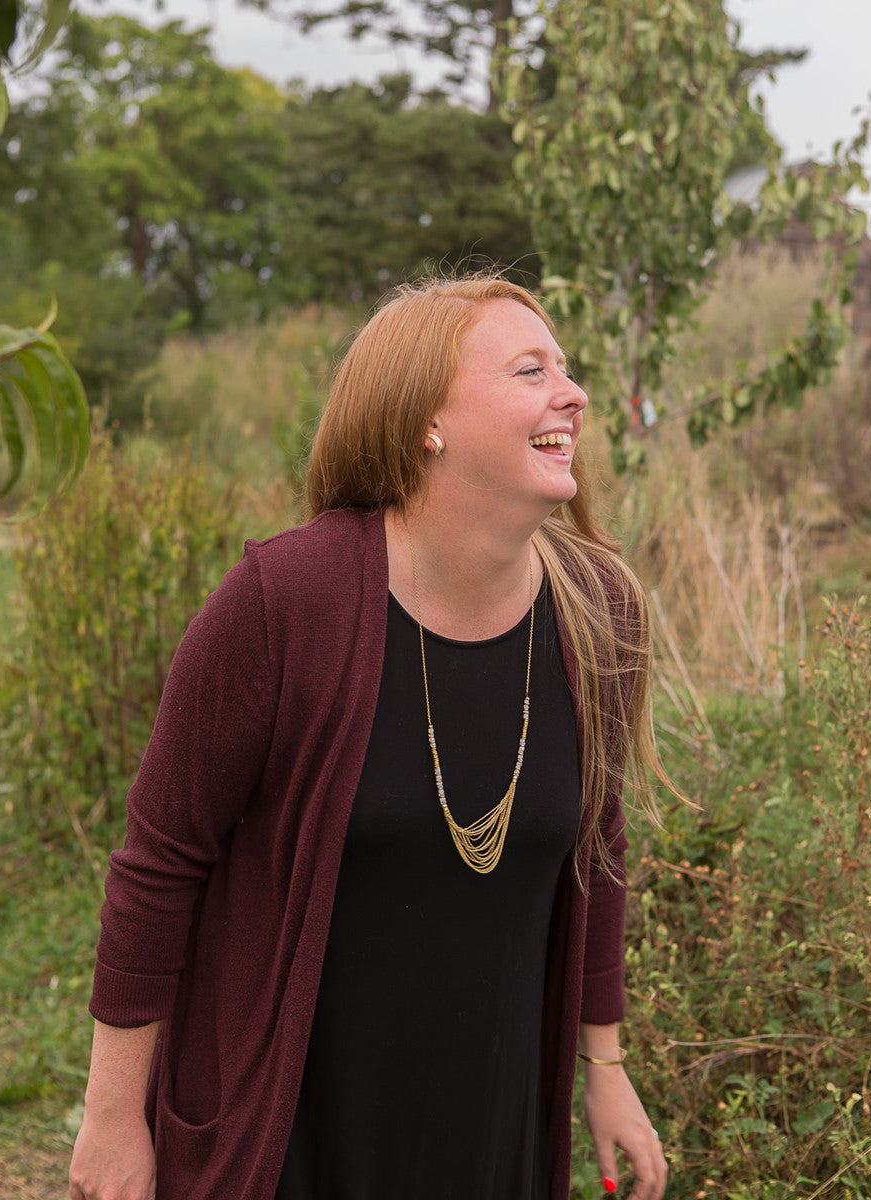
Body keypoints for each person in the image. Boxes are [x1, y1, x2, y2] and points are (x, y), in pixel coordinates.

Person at [69, 274, 674, 1200]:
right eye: (529, 369)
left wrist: (606, 1066)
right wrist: (113, 1118)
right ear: (427, 420)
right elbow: (161, 861)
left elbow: (599, 848)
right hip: (292, 1132)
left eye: (567, 367)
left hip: (493, 1129)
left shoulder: (600, 614)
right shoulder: (287, 604)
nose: (574, 393)